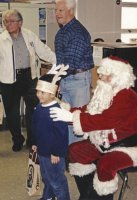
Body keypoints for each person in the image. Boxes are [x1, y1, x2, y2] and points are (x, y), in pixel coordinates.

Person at [50, 56, 137, 200]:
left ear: (117, 76)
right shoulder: (105, 93)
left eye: (104, 74)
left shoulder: (127, 95)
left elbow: (105, 121)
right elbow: (88, 110)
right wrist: (66, 110)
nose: (99, 76)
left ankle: (99, 197)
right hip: (105, 142)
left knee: (106, 165)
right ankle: (88, 195)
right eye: (100, 73)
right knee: (74, 151)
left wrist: (71, 118)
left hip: (130, 146)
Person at [0, 9, 56, 152]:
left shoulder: (29, 35)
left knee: (33, 110)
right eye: (6, 21)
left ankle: (32, 140)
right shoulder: (1, 39)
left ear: (20, 22)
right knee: (12, 113)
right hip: (8, 80)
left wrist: (58, 60)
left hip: (29, 77)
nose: (8, 24)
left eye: (11, 21)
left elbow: (43, 50)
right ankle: (17, 139)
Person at [54, 0, 94, 144]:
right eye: (56, 10)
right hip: (66, 80)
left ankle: (80, 161)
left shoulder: (77, 32)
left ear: (70, 11)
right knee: (67, 119)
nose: (57, 14)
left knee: (78, 121)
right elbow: (60, 61)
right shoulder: (61, 33)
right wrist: (57, 79)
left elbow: (70, 62)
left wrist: (53, 79)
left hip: (78, 81)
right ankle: (71, 157)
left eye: (60, 10)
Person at [32, 65, 70, 200]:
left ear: (52, 93)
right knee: (46, 177)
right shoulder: (38, 108)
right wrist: (35, 143)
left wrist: (57, 152)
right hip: (42, 150)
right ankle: (48, 196)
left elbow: (61, 134)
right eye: (38, 91)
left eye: (43, 92)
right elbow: (36, 127)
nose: (39, 95)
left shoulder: (56, 111)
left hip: (54, 154)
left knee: (57, 180)